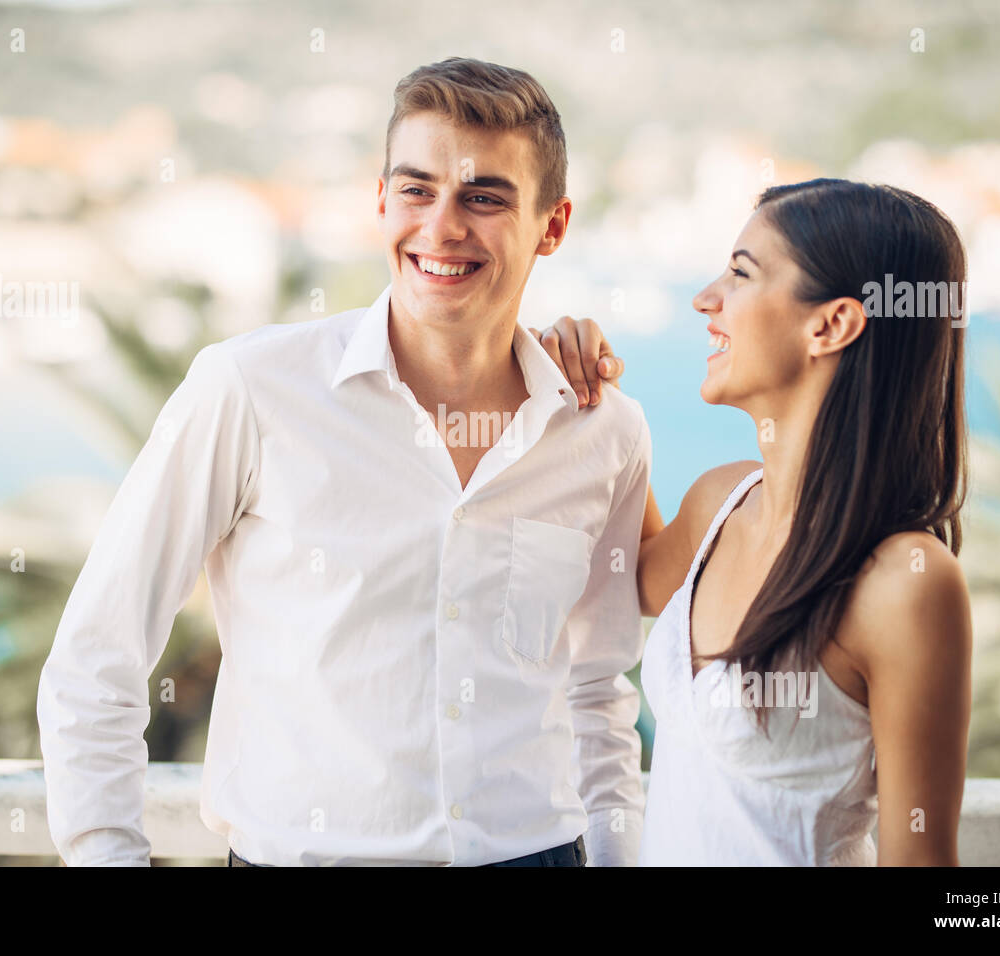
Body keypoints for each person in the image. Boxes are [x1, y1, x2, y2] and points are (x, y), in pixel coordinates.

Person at [36, 57, 651, 867]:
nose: (441, 227)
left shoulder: (602, 432)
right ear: (381, 200)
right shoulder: (251, 389)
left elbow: (598, 689)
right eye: (416, 189)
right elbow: (95, 660)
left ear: (554, 224)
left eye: (485, 197)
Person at [535, 179, 973, 865]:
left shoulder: (906, 585)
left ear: (830, 325)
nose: (706, 298)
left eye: (740, 274)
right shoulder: (721, 503)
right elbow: (625, 574)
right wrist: (589, 398)